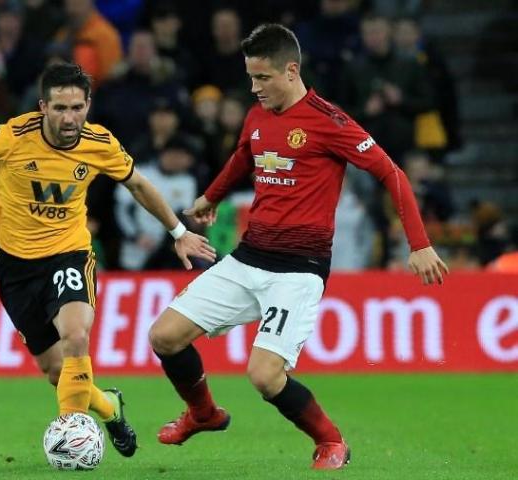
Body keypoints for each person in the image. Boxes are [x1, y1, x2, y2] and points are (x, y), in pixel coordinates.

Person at [0, 62, 216, 458]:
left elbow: (137, 183)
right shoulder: (14, 135)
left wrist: (179, 233)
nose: (70, 118)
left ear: (88, 105)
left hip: (69, 254)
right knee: (55, 371)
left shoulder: (100, 143)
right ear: (43, 106)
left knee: (76, 334)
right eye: (61, 108)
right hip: (16, 268)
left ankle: (74, 436)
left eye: (77, 108)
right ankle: (108, 407)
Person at [148, 24, 449, 470]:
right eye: (250, 78)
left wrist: (419, 244)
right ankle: (204, 414)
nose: (255, 88)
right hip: (249, 257)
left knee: (264, 376)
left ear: (291, 70)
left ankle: (331, 442)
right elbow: (244, 157)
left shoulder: (329, 121)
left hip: (299, 268)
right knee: (164, 336)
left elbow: (392, 173)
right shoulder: (257, 115)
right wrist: (212, 195)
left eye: (263, 78)